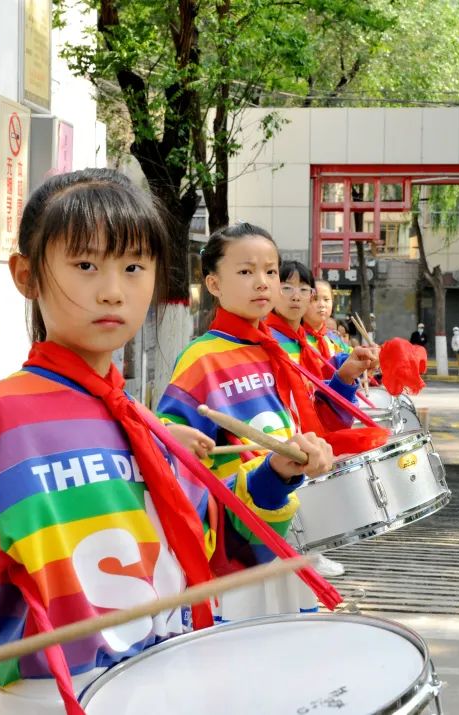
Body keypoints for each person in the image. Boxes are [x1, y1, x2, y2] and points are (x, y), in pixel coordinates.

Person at [0, 170, 333, 715]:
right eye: (85, 265)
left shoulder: (144, 425)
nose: (112, 290)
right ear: (27, 275)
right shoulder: (2, 420)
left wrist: (278, 473)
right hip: (58, 699)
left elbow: (217, 550)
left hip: (169, 685)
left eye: (133, 267)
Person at [157, 224, 372, 611]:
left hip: (286, 521)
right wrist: (173, 437)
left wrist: (344, 380)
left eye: (270, 271)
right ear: (213, 284)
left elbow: (309, 425)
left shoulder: (271, 353)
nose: (263, 282)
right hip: (237, 538)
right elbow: (169, 447)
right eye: (245, 271)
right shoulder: (202, 358)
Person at [266, 260, 377, 577]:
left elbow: (315, 393)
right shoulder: (268, 341)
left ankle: (309, 547)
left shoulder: (302, 339)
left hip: (305, 430)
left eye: (304, 289)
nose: (296, 296)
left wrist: (348, 372)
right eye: (286, 288)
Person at [304, 279, 353, 361]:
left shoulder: (335, 339)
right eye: (315, 299)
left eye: (326, 299)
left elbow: (352, 358)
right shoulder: (296, 338)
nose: (322, 305)